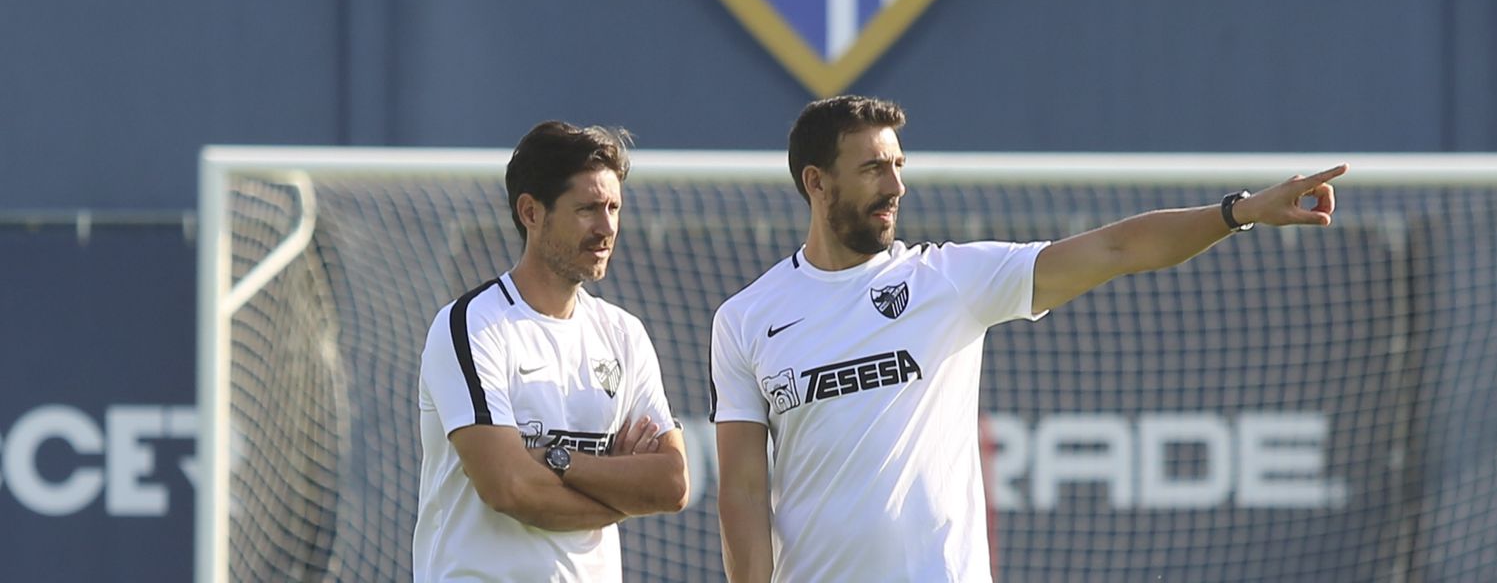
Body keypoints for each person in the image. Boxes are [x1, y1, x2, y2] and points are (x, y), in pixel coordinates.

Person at [710, 95, 1344, 583]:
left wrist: (1239, 212)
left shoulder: (947, 280)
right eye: (874, 168)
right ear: (817, 183)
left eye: (899, 165)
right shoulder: (745, 319)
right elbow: (741, 490)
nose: (896, 185)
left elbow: (1117, 247)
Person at [414, 121, 689, 582]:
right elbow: (510, 487)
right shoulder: (472, 325)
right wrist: (621, 488)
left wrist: (559, 460)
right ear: (530, 212)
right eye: (587, 209)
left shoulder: (624, 333)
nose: (606, 228)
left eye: (614, 208)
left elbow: (672, 483)